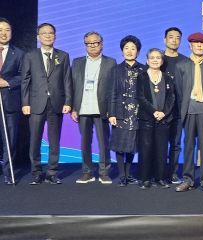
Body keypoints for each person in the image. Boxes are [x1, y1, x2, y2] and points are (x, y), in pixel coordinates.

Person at [21, 23, 72, 185]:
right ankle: (36, 172)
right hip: (36, 103)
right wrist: (25, 102)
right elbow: (25, 80)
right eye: (44, 33)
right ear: (38, 37)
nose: (48, 35)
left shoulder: (63, 56)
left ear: (55, 36)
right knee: (35, 140)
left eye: (51, 33)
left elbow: (67, 80)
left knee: (54, 141)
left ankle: (52, 172)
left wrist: (68, 101)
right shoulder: (30, 55)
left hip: (56, 103)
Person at [174, 32, 203, 193]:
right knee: (188, 145)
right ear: (190, 45)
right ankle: (188, 179)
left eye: (202, 43)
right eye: (196, 43)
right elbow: (179, 91)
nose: (199, 46)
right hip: (189, 110)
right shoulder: (181, 65)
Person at [71, 31, 116, 184]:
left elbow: (113, 88)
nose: (92, 45)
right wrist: (74, 108)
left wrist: (111, 109)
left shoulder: (111, 62)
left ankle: (104, 172)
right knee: (85, 142)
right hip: (82, 108)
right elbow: (72, 86)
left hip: (102, 108)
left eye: (95, 42)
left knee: (104, 142)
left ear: (101, 44)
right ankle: (87, 172)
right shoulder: (77, 62)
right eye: (88, 43)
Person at [136, 49, 175, 189]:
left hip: (163, 119)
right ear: (147, 60)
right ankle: (145, 179)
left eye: (158, 58)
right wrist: (154, 112)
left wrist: (164, 112)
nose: (155, 60)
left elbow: (171, 97)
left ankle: (160, 178)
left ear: (162, 61)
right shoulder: (141, 77)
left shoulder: (168, 78)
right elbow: (140, 97)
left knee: (161, 150)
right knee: (146, 149)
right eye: (152, 57)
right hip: (146, 119)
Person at [108, 35, 144, 186]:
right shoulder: (115, 70)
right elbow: (112, 93)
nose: (129, 51)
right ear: (122, 51)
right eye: (126, 48)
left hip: (137, 113)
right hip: (120, 112)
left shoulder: (144, 69)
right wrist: (111, 113)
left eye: (133, 48)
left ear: (138, 51)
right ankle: (122, 175)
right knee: (120, 144)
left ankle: (129, 174)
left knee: (132, 145)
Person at [162, 27, 187, 184]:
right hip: (160, 111)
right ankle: (159, 172)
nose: (174, 40)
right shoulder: (157, 59)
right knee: (160, 143)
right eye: (171, 37)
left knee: (175, 144)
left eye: (178, 38)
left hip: (178, 109)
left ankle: (172, 172)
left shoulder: (185, 61)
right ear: (165, 40)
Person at [0, 18, 24, 184]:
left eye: (7, 30)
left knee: (10, 139)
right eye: (0, 30)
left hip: (10, 103)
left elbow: (24, 75)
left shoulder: (19, 53)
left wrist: (7, 82)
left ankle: (8, 172)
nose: (4, 33)